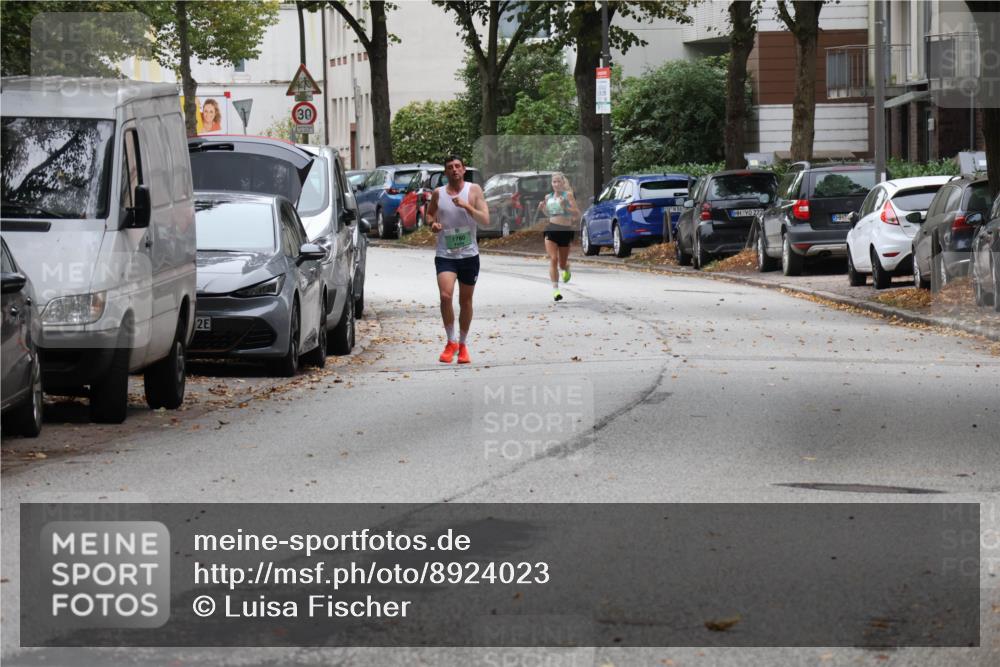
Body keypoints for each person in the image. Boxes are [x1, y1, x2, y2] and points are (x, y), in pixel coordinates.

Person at [425, 155, 490, 364]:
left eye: (457, 166)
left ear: (463, 170)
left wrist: (466, 206)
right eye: (450, 167)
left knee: (465, 301)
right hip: (446, 254)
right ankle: (450, 341)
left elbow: (485, 220)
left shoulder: (474, 190)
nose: (454, 170)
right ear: (446, 172)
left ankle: (462, 345)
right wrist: (432, 224)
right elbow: (429, 214)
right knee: (445, 296)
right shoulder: (438, 193)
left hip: (469, 254)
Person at [536, 172, 580, 301]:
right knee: (553, 259)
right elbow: (549, 214)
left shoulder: (568, 196)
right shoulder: (548, 196)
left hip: (565, 230)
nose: (556, 184)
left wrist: (564, 206)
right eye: (554, 182)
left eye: (558, 181)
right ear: (552, 184)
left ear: (562, 183)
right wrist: (542, 208)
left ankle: (566, 267)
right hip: (551, 229)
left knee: (561, 264)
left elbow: (577, 214)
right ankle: (556, 290)